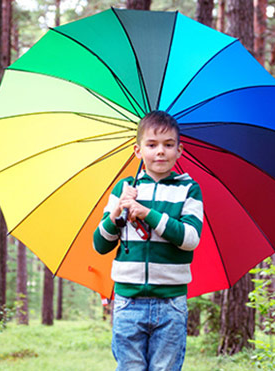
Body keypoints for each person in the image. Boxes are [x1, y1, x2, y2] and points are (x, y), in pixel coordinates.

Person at [93, 110, 203, 371]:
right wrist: (118, 211)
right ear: (138, 150)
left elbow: (190, 239)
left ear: (180, 150)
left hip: (171, 303)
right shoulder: (124, 189)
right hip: (128, 302)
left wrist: (148, 214)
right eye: (152, 145)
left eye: (168, 145)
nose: (160, 152)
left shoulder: (188, 189)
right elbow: (101, 244)